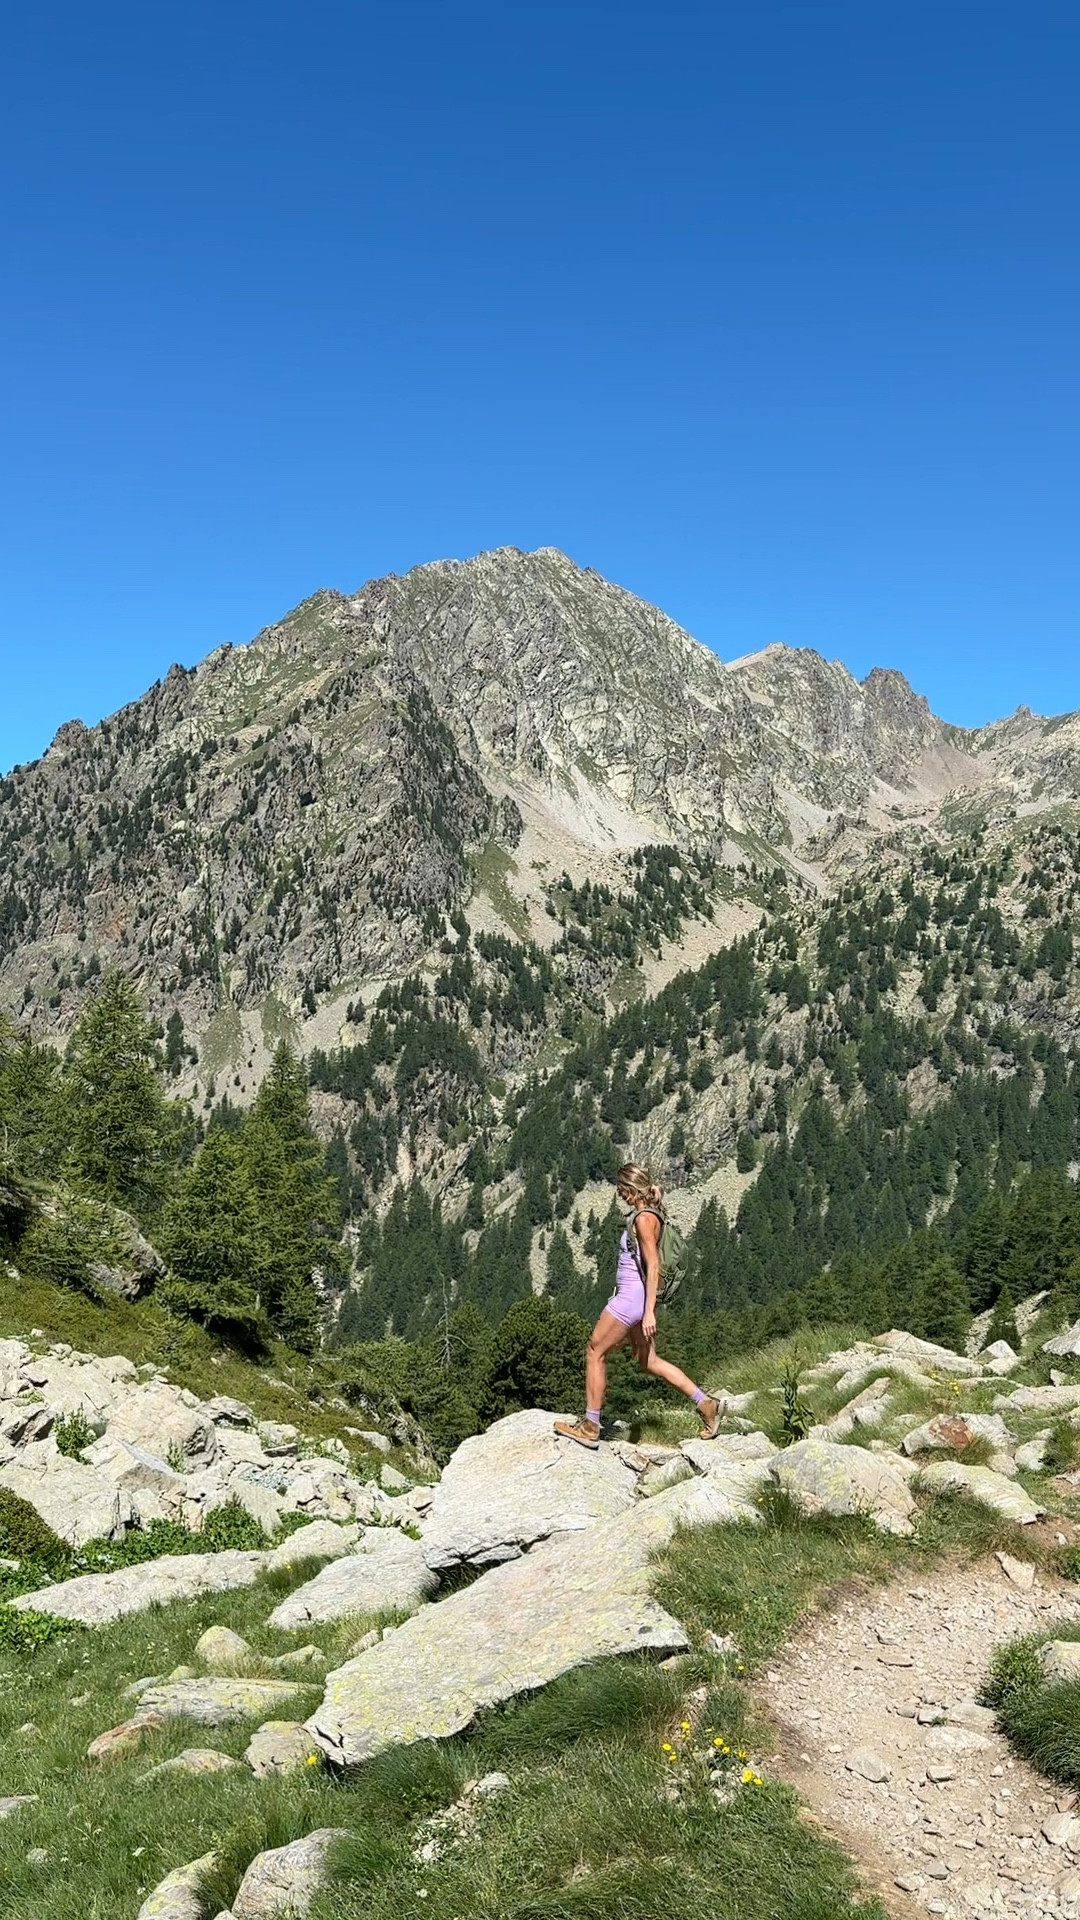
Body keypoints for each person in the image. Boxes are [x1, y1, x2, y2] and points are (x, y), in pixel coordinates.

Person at [554, 1161, 721, 1449]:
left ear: (631, 1188)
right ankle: (706, 1404)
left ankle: (591, 1426)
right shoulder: (651, 1213)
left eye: (622, 1189)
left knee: (594, 1351)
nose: (620, 1195)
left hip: (631, 1300)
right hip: (636, 1300)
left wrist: (648, 1313)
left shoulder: (644, 1219)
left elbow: (653, 1266)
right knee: (649, 1362)